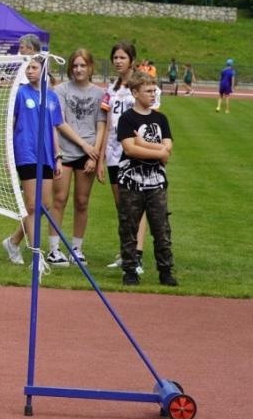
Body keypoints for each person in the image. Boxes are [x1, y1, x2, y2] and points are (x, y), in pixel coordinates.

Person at [2, 55, 69, 271]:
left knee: (44, 206)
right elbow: (10, 126)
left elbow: (53, 127)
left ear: (44, 70)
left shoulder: (51, 98)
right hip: (26, 152)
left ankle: (13, 242)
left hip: (46, 156)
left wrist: (57, 156)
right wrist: (8, 155)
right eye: (27, 68)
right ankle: (36, 256)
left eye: (33, 67)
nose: (29, 71)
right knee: (32, 205)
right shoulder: (20, 93)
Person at [114, 72, 178, 286]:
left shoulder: (161, 119)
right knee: (128, 227)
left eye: (154, 91)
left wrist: (146, 144)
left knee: (161, 228)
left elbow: (168, 146)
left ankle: (166, 270)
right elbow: (130, 149)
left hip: (156, 183)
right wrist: (159, 152)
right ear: (135, 93)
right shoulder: (127, 118)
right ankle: (130, 270)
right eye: (148, 91)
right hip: (131, 182)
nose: (153, 94)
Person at [100, 40, 157, 276]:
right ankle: (125, 252)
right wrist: (102, 155)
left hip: (136, 151)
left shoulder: (144, 84)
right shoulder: (110, 89)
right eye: (115, 57)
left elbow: (153, 116)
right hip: (114, 153)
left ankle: (137, 254)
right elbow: (105, 123)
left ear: (131, 60)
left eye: (122, 57)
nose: (118, 61)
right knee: (122, 206)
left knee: (137, 205)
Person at [51, 48, 106, 264]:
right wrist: (83, 144)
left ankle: (77, 248)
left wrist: (94, 155)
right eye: (75, 65)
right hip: (66, 150)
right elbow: (61, 121)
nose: (78, 69)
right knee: (59, 198)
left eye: (83, 65)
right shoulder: (60, 90)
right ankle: (54, 248)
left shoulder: (100, 94)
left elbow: (101, 125)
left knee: (82, 201)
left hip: (89, 152)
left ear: (90, 67)